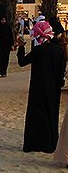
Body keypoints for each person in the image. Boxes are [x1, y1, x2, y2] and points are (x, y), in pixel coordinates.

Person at [17, 21, 66, 153]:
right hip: (54, 89)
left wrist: (21, 47)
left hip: (38, 88)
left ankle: (34, 144)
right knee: (52, 114)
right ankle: (50, 145)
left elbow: (22, 62)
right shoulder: (58, 51)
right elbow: (62, 71)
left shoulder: (38, 50)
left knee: (37, 116)